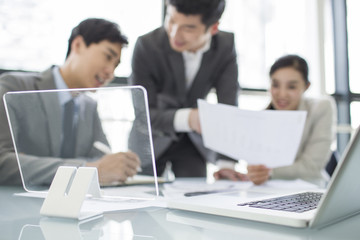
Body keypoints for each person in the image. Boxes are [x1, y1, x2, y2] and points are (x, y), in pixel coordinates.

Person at [0, 18, 140, 186]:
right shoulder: (15, 88)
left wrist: (119, 164)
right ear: (78, 45)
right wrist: (87, 170)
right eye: (108, 56)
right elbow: (3, 162)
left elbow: (99, 158)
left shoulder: (89, 106)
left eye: (116, 65)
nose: (111, 72)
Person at [130, 0, 239, 177]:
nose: (174, 34)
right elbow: (144, 113)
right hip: (151, 140)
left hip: (193, 144)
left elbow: (228, 107)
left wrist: (226, 163)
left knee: (195, 199)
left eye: (188, 28)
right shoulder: (147, 46)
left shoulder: (225, 47)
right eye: (171, 20)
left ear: (213, 28)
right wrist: (189, 118)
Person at [214, 54, 337, 185]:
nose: (282, 94)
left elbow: (311, 167)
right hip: (267, 190)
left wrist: (268, 172)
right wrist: (239, 172)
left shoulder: (321, 108)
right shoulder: (261, 117)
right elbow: (254, 163)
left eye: (291, 87)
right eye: (275, 85)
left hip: (310, 188)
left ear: (306, 86)